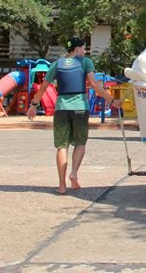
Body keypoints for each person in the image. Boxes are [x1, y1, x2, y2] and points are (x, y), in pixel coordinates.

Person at [27, 37, 120, 194]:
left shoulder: (57, 64)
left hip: (61, 109)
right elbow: (94, 84)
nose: (84, 51)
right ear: (77, 49)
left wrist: (33, 105)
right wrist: (111, 100)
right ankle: (74, 174)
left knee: (62, 146)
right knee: (80, 143)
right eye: (83, 48)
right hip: (80, 108)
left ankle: (62, 185)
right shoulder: (85, 62)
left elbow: (43, 87)